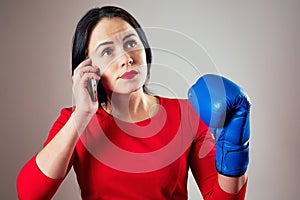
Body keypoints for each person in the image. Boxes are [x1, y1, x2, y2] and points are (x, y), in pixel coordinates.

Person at [16, 6, 249, 200]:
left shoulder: (187, 114)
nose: (126, 59)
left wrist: (236, 146)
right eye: (107, 51)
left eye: (131, 44)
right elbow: (30, 195)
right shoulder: (73, 121)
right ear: (87, 67)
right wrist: (82, 115)